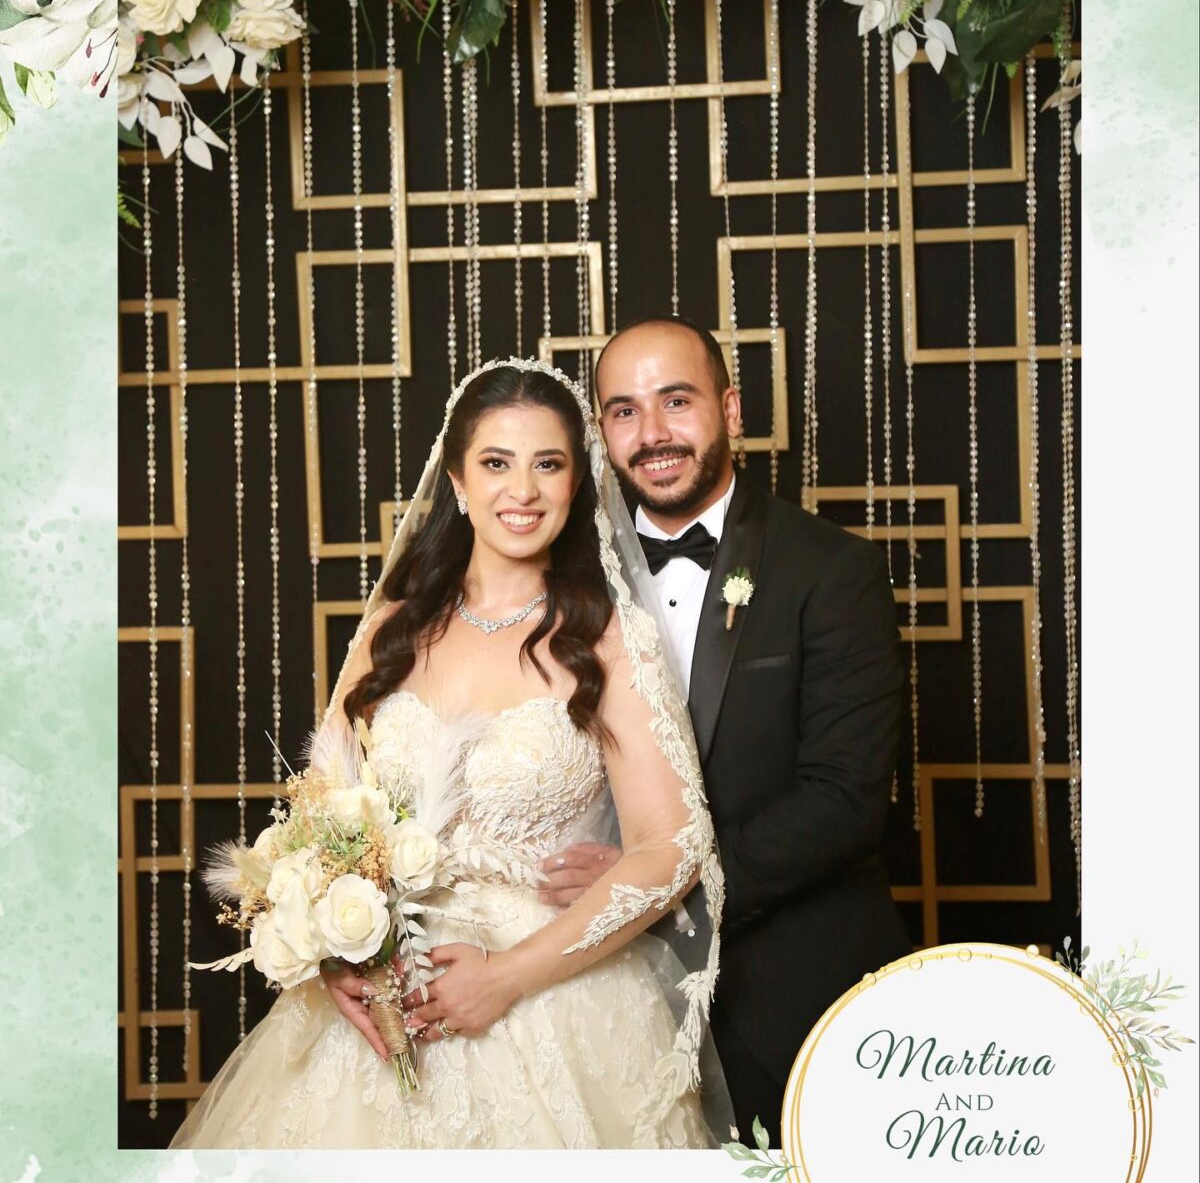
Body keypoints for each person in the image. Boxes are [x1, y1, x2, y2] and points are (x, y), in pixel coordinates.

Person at [171, 359, 730, 1149]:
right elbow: (317, 821)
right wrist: (335, 953)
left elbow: (672, 846)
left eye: (548, 464)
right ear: (459, 482)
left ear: (577, 483)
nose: (522, 490)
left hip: (551, 997)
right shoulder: (392, 629)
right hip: (383, 995)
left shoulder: (611, 640)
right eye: (496, 463)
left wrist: (507, 977)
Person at [539, 317, 912, 1145]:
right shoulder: (558, 582)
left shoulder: (833, 570)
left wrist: (658, 885)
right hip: (591, 1001)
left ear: (731, 410)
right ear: (601, 431)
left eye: (676, 401)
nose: (653, 434)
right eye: (625, 411)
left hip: (788, 994)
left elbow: (845, 801)